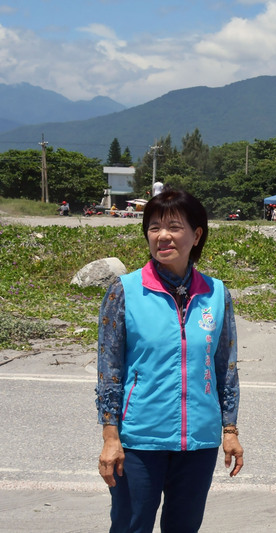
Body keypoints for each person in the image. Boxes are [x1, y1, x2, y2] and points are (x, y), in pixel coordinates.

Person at [96, 189, 243, 532]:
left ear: (197, 234)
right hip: (139, 442)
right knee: (131, 526)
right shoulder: (125, 290)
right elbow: (110, 370)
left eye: (174, 226)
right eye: (154, 227)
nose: (162, 235)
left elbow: (226, 368)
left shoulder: (216, 293)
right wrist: (110, 437)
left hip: (199, 444)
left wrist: (230, 429)